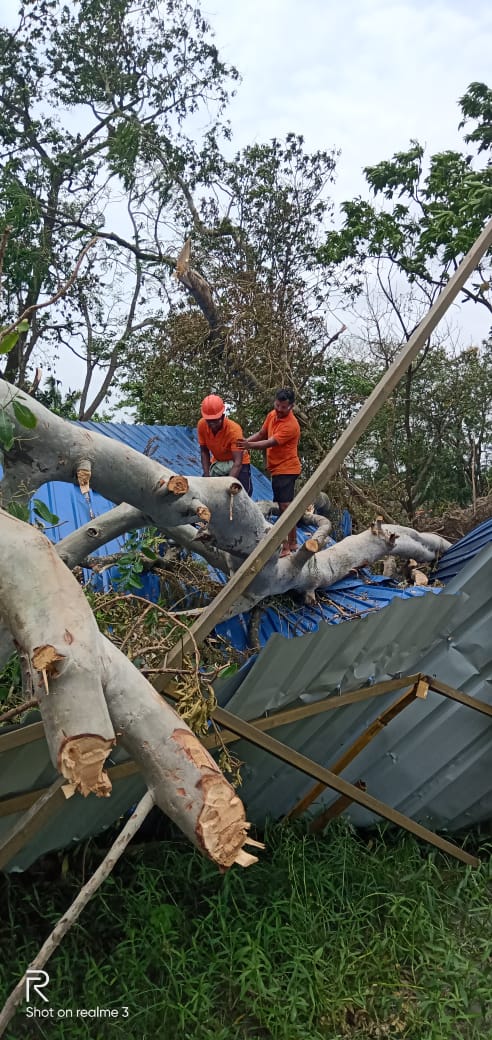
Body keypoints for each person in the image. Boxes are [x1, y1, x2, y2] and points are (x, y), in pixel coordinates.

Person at [238, 388, 301, 557]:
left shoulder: (291, 425)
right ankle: (292, 543)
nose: (279, 410)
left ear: (291, 406)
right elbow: (261, 434)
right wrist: (244, 443)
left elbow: (270, 442)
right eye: (277, 405)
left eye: (284, 407)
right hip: (276, 468)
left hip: (287, 468)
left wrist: (248, 446)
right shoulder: (272, 415)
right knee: (283, 506)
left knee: (285, 507)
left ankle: (289, 545)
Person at [197, 394, 253, 496]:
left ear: (222, 416)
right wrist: (207, 475)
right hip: (219, 463)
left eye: (215, 421)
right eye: (209, 422)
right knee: (206, 492)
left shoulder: (234, 430)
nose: (212, 425)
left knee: (243, 494)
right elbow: (204, 451)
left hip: (238, 463)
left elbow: (237, 463)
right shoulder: (201, 425)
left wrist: (228, 485)